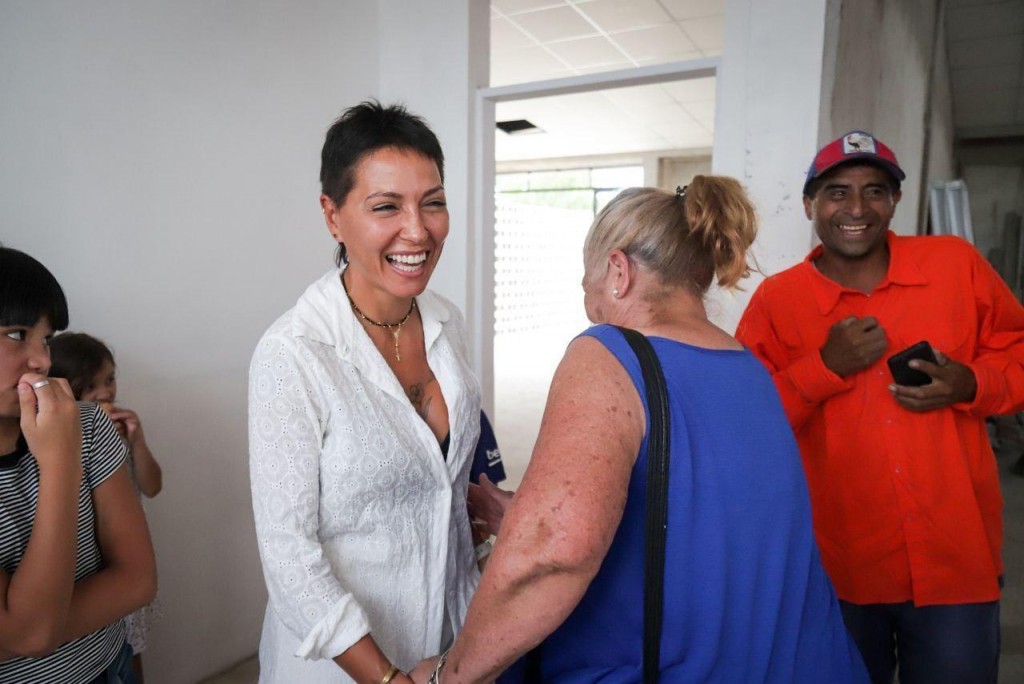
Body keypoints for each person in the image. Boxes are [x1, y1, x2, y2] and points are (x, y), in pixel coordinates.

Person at [412, 180, 869, 682]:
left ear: (617, 271)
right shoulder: (748, 368)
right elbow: (703, 517)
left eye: (585, 278)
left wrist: (451, 674)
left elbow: (552, 554)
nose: (585, 295)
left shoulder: (610, 352)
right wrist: (529, 512)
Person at [735, 130, 1024, 683]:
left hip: (954, 560)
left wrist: (974, 385)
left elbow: (1017, 355)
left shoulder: (955, 266)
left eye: (874, 191)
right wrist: (822, 368)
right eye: (837, 192)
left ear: (894, 202)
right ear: (809, 205)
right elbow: (745, 426)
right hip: (838, 570)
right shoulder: (778, 300)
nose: (857, 208)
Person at [248, 101, 484, 683]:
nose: (418, 230)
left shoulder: (447, 324)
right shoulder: (295, 353)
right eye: (386, 207)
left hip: (446, 645)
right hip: (344, 664)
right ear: (333, 216)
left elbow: (447, 492)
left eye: (433, 203)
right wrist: (385, 677)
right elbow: (289, 555)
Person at [0, 246, 157, 683]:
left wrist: (24, 631)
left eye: (45, 339)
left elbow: (139, 579)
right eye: (16, 334)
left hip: (109, 665)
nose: (42, 360)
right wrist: (26, 632)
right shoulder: (75, 434)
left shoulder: (83, 425)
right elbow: (29, 635)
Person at [48, 332, 164, 682]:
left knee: (132, 649)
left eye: (110, 379)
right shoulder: (60, 439)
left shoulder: (118, 429)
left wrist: (137, 440)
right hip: (94, 574)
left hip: (129, 561)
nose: (106, 393)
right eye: (90, 386)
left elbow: (153, 486)